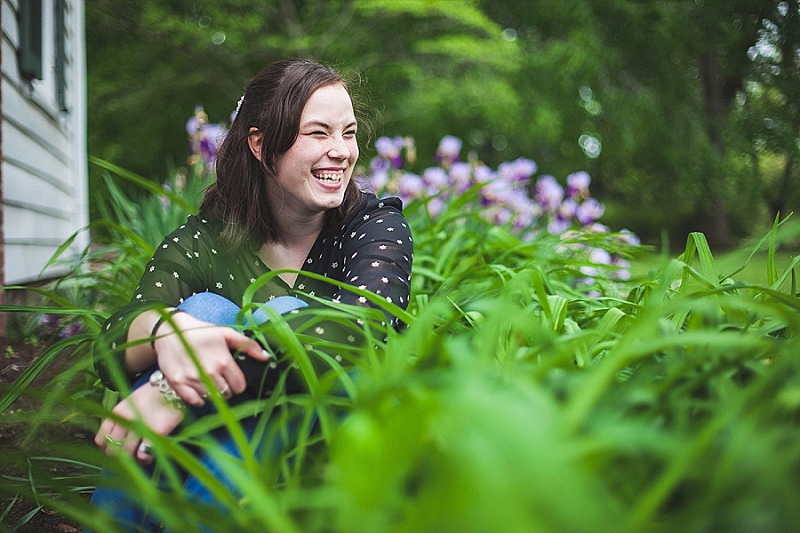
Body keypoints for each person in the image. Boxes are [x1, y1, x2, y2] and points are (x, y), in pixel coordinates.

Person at [87, 58, 413, 532]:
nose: (342, 152)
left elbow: (358, 331)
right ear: (260, 145)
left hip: (337, 447)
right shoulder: (207, 239)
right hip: (238, 450)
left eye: (349, 133)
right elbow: (113, 343)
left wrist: (174, 389)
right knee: (202, 311)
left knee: (283, 312)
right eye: (319, 134)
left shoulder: (375, 227)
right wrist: (168, 333)